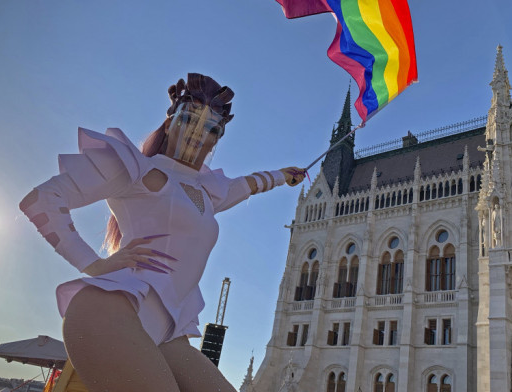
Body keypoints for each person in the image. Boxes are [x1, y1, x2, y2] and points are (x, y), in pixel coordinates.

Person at [19, 73, 306, 392]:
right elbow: (41, 199)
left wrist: (285, 175)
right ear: (170, 123)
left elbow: (250, 184)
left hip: (169, 335)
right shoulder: (136, 168)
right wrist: (92, 263)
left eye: (212, 128)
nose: (200, 133)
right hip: (109, 315)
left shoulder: (209, 192)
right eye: (189, 119)